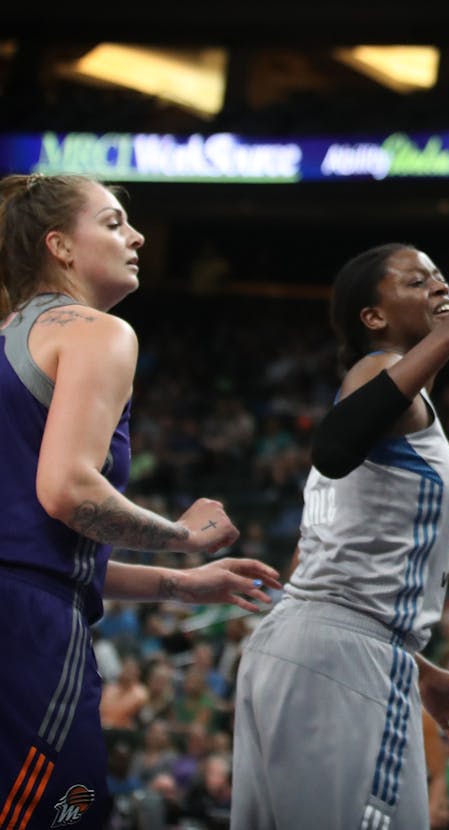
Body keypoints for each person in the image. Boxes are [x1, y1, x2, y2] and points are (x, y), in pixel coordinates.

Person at [0, 173, 280, 829]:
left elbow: (31, 540)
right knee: (69, 813)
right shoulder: (98, 332)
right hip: (28, 634)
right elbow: (67, 492)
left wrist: (177, 586)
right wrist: (183, 537)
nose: (138, 235)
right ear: (60, 247)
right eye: (113, 222)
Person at [231, 242, 449, 828]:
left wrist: (418, 669)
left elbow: (318, 566)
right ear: (374, 318)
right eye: (418, 283)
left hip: (301, 645)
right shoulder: (378, 369)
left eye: (441, 277)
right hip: (341, 658)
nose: (440, 288)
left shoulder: (395, 405)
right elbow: (332, 446)